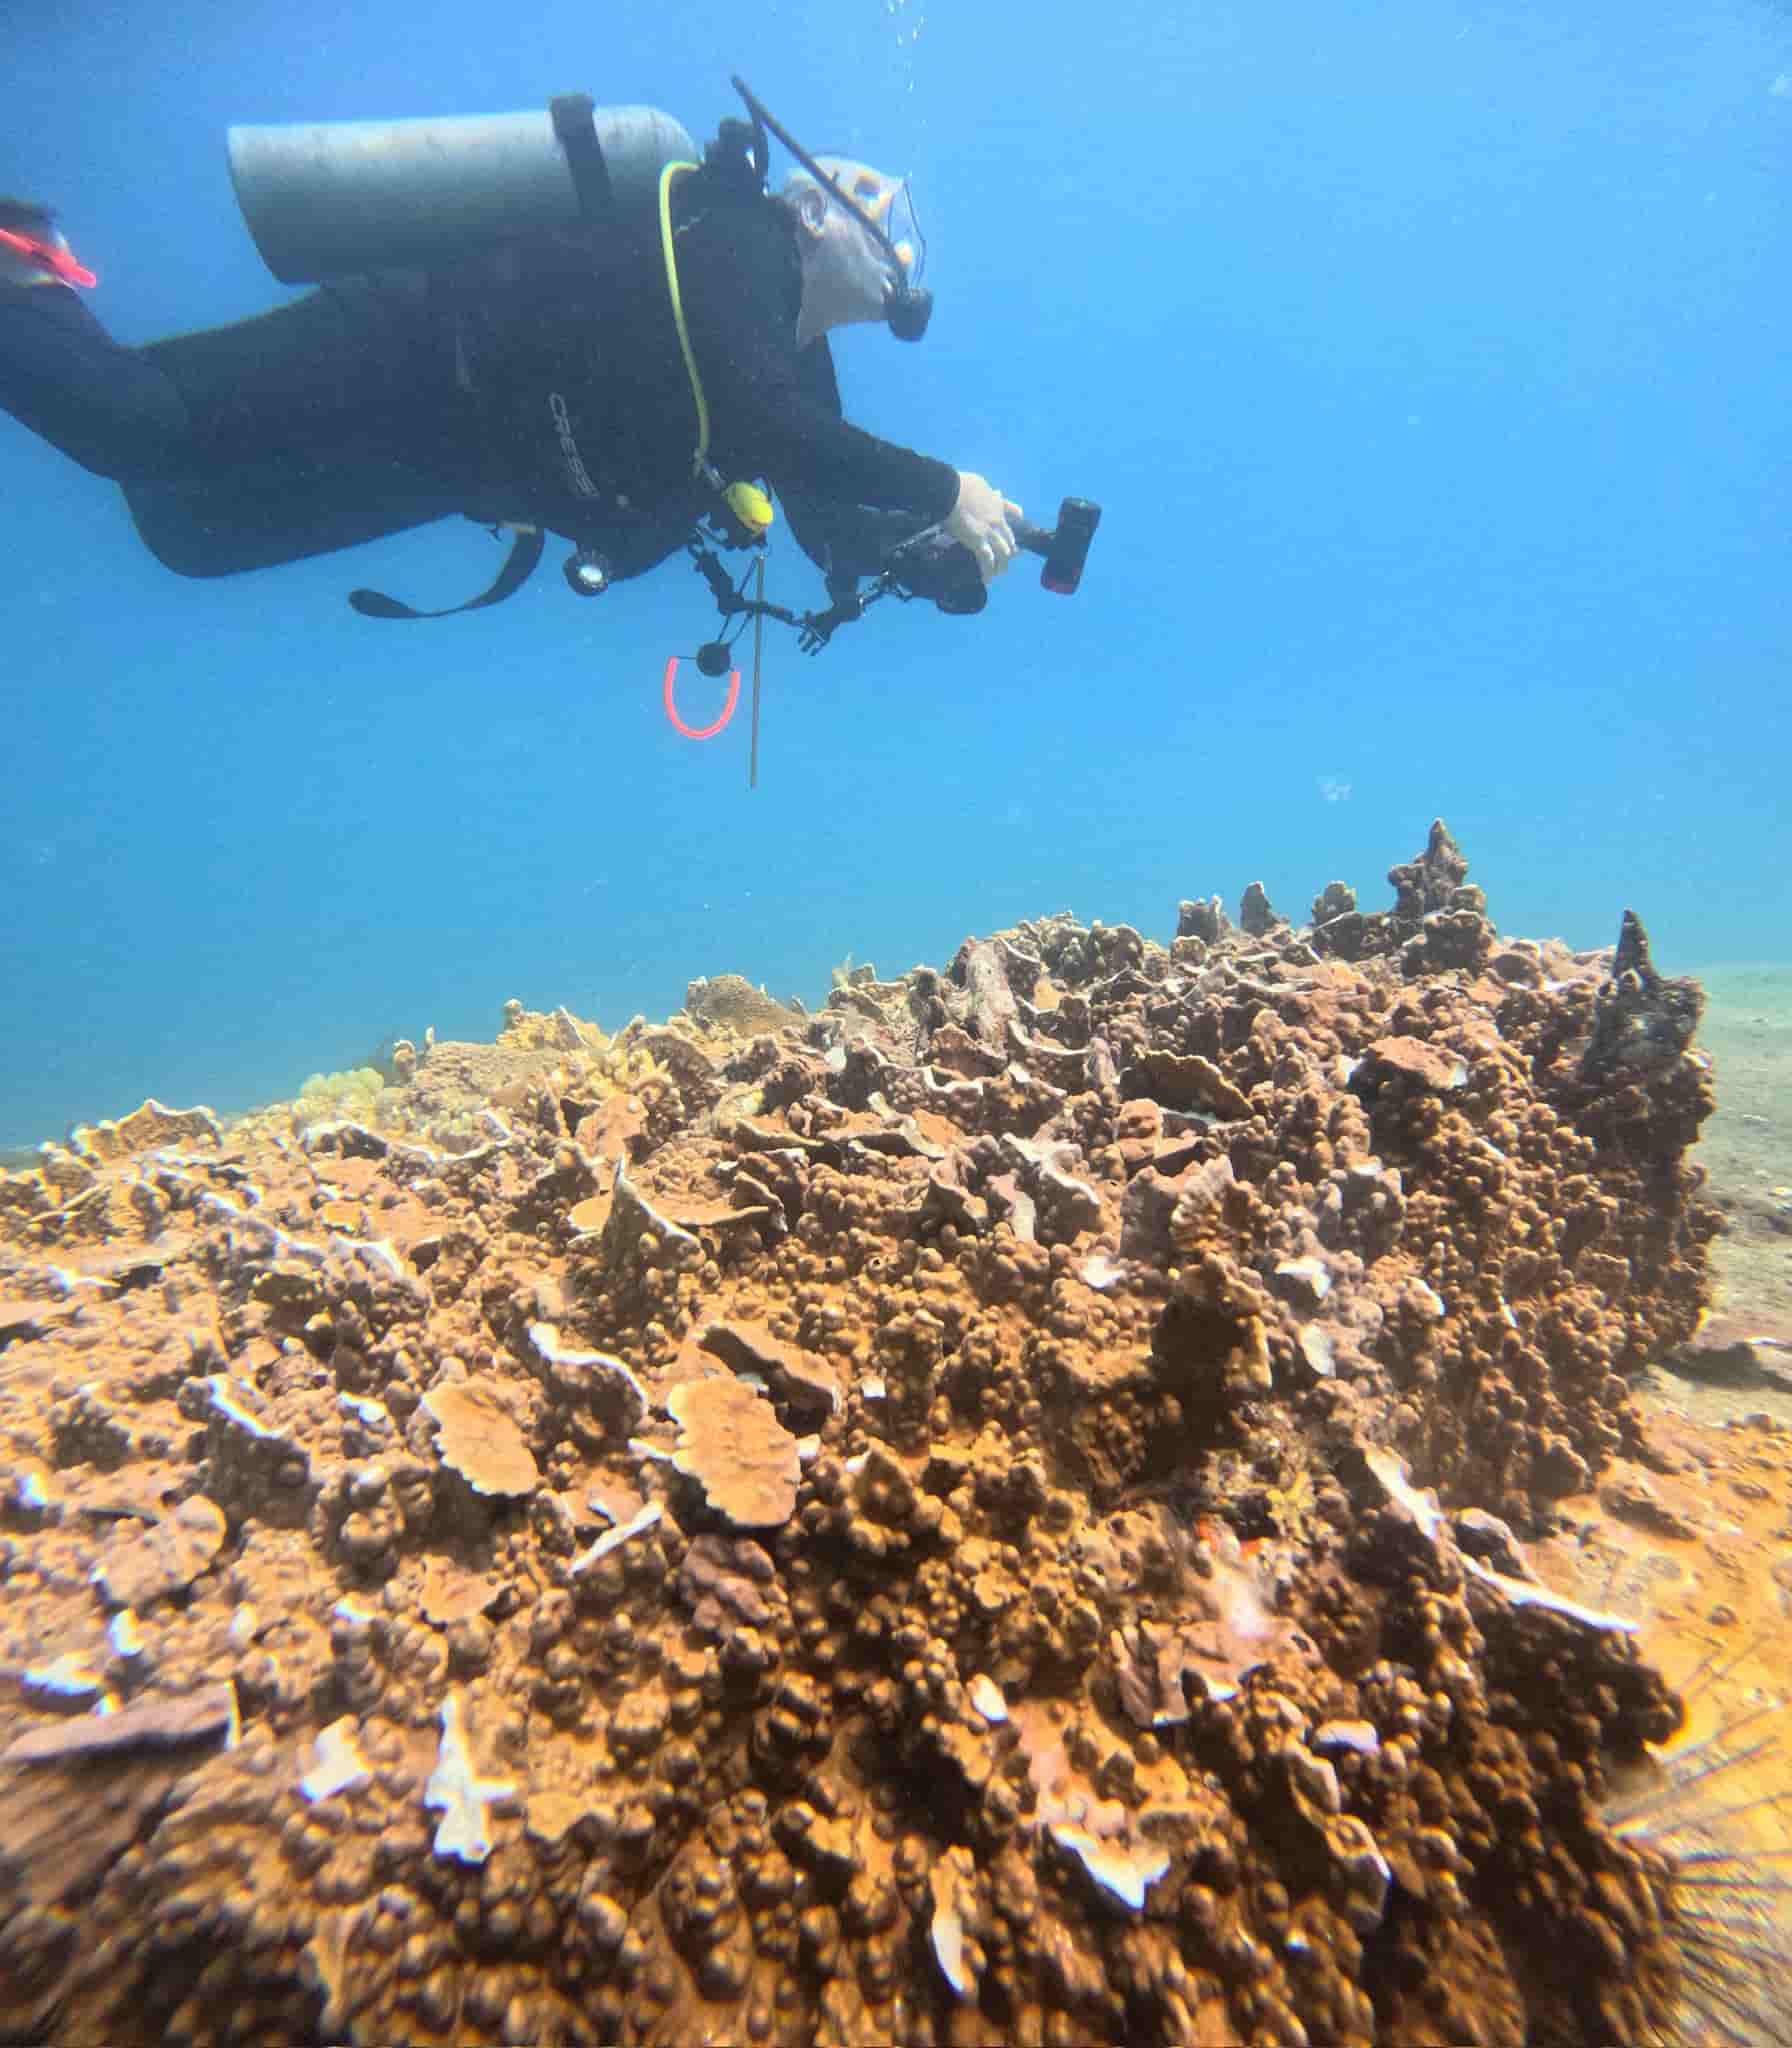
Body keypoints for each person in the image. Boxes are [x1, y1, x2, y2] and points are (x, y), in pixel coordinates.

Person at [0, 92, 1023, 623]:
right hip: (412, 345)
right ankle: (21, 264)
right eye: (882, 217)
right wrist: (945, 487)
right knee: (135, 426)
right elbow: (767, 427)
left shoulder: (791, 350)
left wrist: (918, 550)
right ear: (815, 210)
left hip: (454, 462)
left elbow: (824, 513)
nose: (900, 251)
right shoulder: (741, 240)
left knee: (191, 535)